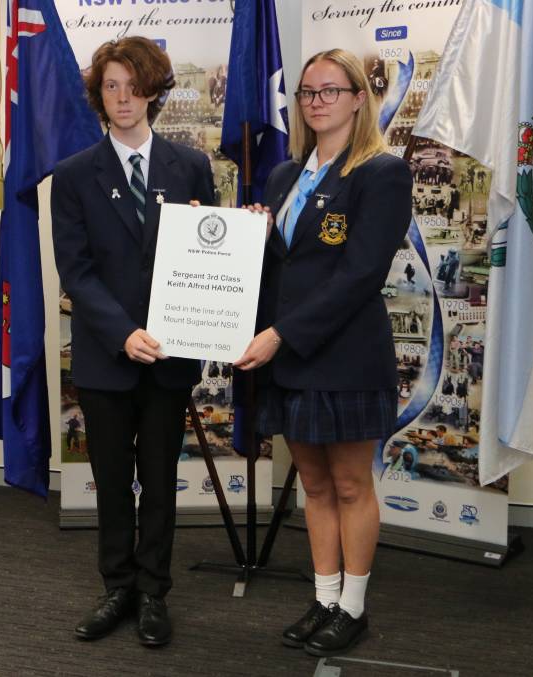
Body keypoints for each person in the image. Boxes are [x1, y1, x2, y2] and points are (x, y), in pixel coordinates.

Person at [232, 49, 412, 657]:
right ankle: (325, 596)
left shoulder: (381, 172)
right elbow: (283, 265)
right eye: (307, 92)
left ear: (359, 98)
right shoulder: (285, 176)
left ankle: (353, 608)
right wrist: (237, 238)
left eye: (330, 91)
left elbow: (360, 275)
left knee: (352, 485)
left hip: (345, 354)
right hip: (293, 356)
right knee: (312, 484)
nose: (315, 102)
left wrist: (280, 336)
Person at [51, 36, 216, 648]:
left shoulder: (191, 166)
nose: (123, 97)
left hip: (171, 357)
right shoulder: (71, 177)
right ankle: (116, 587)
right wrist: (124, 333)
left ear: (154, 90)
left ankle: (153, 593)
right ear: (99, 96)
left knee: (160, 478)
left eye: (133, 84)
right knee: (113, 482)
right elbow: (77, 270)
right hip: (107, 357)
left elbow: (210, 254)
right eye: (111, 86)